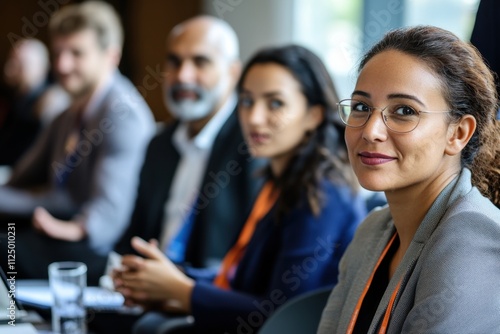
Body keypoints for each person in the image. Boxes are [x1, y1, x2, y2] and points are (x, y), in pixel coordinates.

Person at [113, 44, 367, 334]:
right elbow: (242, 277)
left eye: (275, 103)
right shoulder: (278, 180)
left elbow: (284, 314)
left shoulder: (323, 194)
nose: (254, 118)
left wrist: (183, 291)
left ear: (314, 115)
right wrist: (166, 278)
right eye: (246, 101)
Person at [318, 25, 500, 334]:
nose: (371, 130)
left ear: (458, 133)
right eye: (362, 107)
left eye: (404, 110)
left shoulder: (471, 240)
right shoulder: (373, 229)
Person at [0, 1, 155, 285]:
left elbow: (108, 216)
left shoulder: (122, 114)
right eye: (58, 53)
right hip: (59, 227)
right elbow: (22, 176)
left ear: (111, 56)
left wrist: (74, 228)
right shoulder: (67, 115)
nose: (62, 65)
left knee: (4, 249)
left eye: (76, 53)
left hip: (98, 250)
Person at [0, 38, 68, 166]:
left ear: (42, 67)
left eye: (20, 64)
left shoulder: (51, 100)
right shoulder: (16, 98)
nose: (9, 70)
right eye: (11, 61)